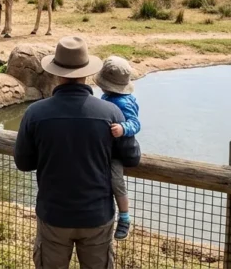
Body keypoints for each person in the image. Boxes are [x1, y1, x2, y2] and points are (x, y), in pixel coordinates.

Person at [14, 36, 141, 269]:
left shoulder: (35, 113)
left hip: (53, 214)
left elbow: (23, 162)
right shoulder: (111, 112)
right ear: (87, 71)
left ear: (55, 72)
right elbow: (132, 157)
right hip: (97, 216)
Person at [95, 56, 141, 241]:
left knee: (116, 180)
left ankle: (124, 217)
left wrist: (123, 129)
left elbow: (136, 123)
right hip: (107, 147)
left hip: (118, 151)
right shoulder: (108, 96)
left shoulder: (123, 102)